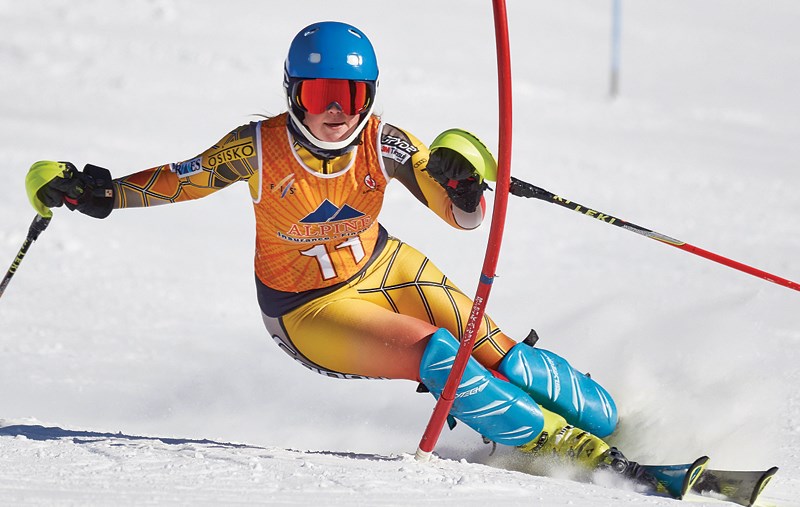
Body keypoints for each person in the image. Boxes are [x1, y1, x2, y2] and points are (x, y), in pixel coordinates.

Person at [26, 21, 655, 487]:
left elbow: (465, 220)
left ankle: (608, 421)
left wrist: (462, 185)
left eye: (351, 95)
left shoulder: (386, 145)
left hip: (386, 266)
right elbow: (177, 179)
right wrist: (100, 193)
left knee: (491, 344)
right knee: (440, 353)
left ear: (370, 97)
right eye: (322, 91)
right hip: (308, 309)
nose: (334, 110)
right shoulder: (257, 148)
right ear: (294, 91)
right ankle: (575, 453)